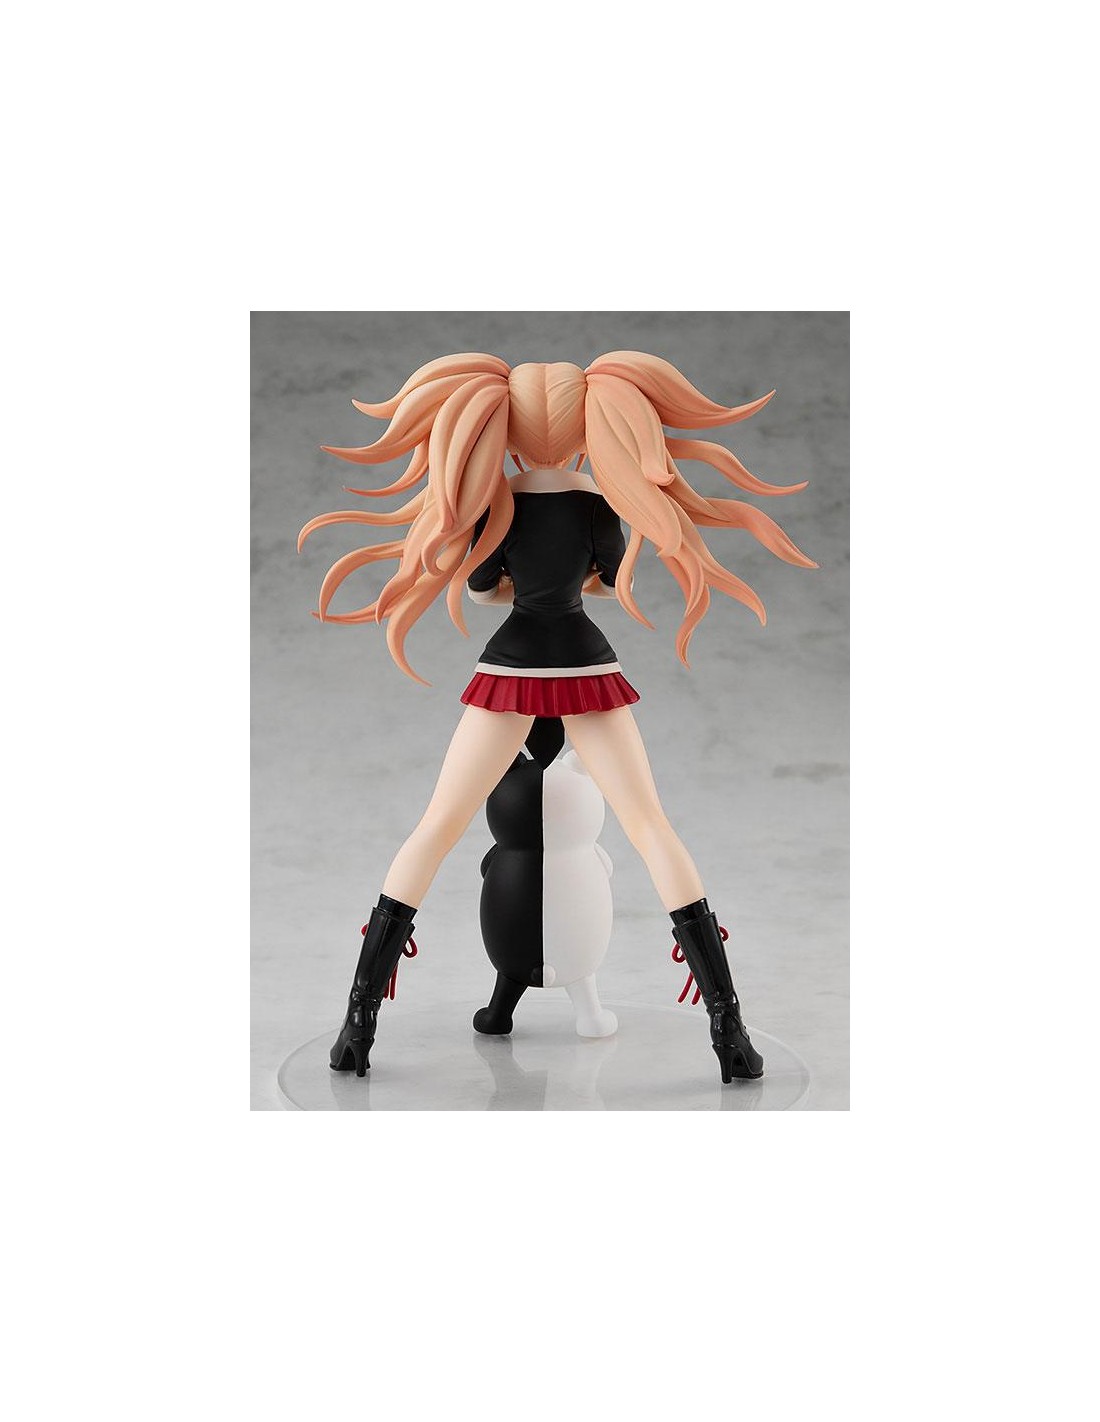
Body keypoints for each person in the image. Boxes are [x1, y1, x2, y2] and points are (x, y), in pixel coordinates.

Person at [298, 351, 816, 1084]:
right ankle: (729, 1032)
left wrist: (517, 580)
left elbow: (483, 590)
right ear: (585, 430)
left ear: (507, 433)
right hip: (586, 666)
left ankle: (357, 1027)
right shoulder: (600, 504)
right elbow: (604, 585)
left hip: (509, 669)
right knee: (650, 828)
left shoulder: (494, 502)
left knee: (436, 828)